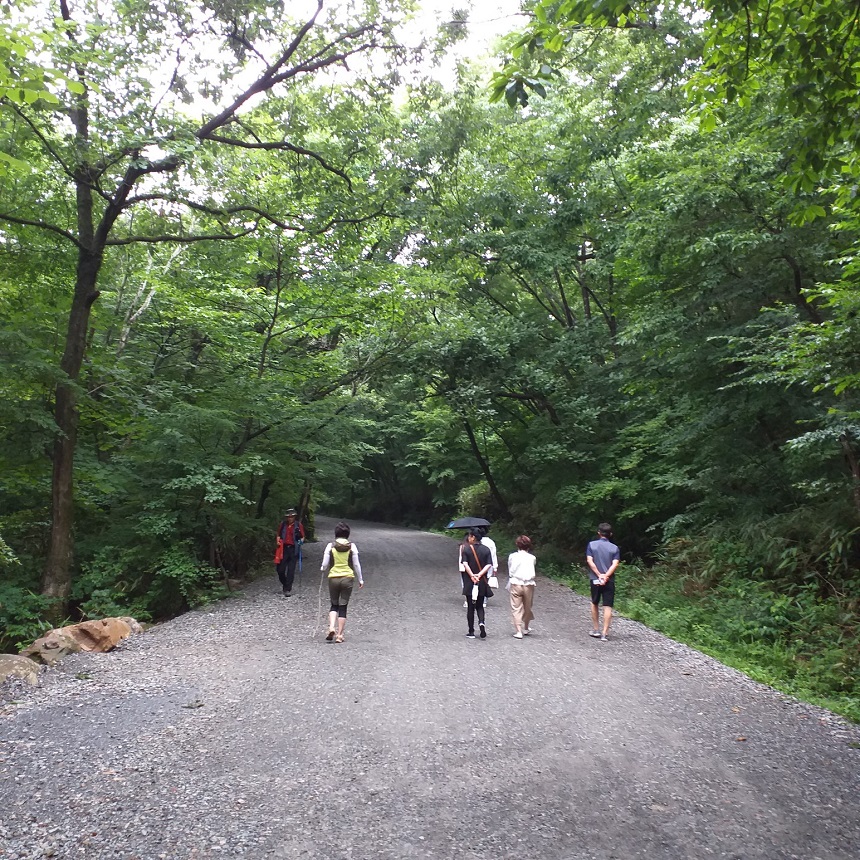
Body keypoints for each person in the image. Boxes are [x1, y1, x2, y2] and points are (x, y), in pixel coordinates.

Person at [320, 522, 364, 643]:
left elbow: (324, 564)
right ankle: (339, 635)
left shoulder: (330, 546)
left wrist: (323, 569)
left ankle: (331, 627)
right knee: (343, 606)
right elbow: (356, 564)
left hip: (333, 577)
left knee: (334, 604)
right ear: (347, 534)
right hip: (348, 578)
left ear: (336, 534)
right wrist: (360, 579)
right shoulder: (352, 547)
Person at [586, 522, 620, 641]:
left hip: (595, 579)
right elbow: (615, 564)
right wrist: (606, 576)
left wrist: (599, 574)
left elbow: (590, 561)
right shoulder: (615, 548)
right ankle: (605, 633)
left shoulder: (592, 545)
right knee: (608, 606)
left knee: (594, 602)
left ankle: (596, 629)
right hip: (609, 580)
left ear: (599, 533)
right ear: (610, 534)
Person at [460, 529, 492, 639]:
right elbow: (488, 565)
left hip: (470, 581)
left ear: (473, 537)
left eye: (469, 536)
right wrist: (479, 575)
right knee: (480, 605)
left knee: (470, 607)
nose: (468, 538)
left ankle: (471, 631)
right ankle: (481, 622)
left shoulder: (467, 549)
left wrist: (472, 575)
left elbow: (465, 563)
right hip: (481, 580)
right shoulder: (486, 550)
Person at [508, 535, 536, 639]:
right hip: (529, 584)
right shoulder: (532, 558)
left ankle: (518, 631)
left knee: (516, 607)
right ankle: (526, 627)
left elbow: (510, 569)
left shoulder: (512, 556)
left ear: (517, 545)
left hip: (515, 582)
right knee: (527, 606)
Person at [274, 509, 305, 597]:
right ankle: (285, 584)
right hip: (283, 549)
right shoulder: (283, 524)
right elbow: (278, 534)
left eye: (292, 517)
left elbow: (302, 536)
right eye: (288, 517)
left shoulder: (298, 525)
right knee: (280, 570)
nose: (290, 518)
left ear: (294, 517)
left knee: (291, 570)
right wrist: (278, 541)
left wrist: (300, 542)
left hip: (293, 549)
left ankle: (287, 589)